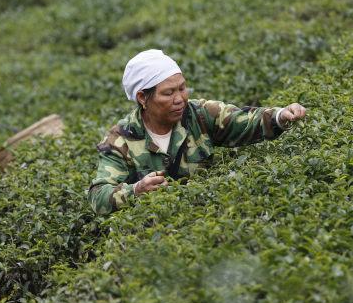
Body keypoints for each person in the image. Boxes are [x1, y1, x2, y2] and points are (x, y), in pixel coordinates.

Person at [88, 49, 307, 215]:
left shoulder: (200, 114)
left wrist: (280, 116)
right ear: (143, 98)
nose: (179, 99)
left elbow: (244, 121)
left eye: (182, 88)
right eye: (168, 93)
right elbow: (98, 196)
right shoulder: (120, 140)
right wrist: (135, 191)